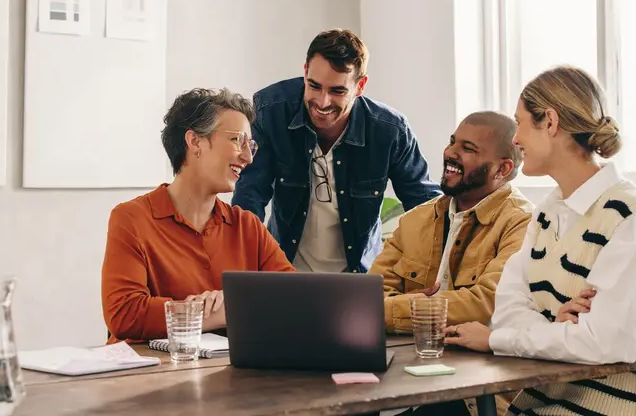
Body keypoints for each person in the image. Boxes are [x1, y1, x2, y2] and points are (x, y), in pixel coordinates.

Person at [446, 66, 636, 414]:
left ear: (551, 122)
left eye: (520, 122)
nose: (515, 139)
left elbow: (606, 343)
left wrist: (498, 340)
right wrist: (557, 321)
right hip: (547, 403)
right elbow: (508, 312)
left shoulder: (631, 216)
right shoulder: (546, 213)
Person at [231, 29, 441, 274]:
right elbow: (250, 197)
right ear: (305, 71)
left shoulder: (390, 131)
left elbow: (426, 207)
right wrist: (245, 273)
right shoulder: (270, 111)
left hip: (359, 278)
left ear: (360, 85)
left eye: (337, 91)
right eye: (314, 86)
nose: (322, 102)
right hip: (285, 272)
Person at [370, 111, 532, 416]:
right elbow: (368, 298)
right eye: (452, 142)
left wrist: (408, 307)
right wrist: (409, 306)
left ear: (503, 168)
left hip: (476, 390)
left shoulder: (522, 222)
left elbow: (484, 303)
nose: (450, 153)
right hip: (406, 378)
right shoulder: (417, 219)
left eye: (468, 149)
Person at [101, 88, 294, 343]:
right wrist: (208, 313)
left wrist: (231, 305)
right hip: (148, 378)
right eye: (237, 140)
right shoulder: (131, 219)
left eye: (251, 145)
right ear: (194, 142)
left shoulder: (248, 227)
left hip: (229, 377)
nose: (248, 157)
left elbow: (294, 300)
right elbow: (125, 315)